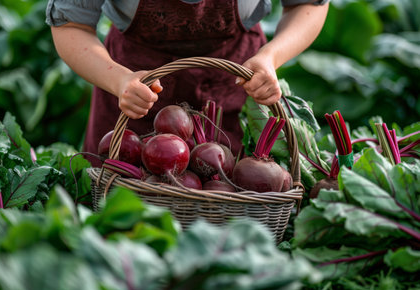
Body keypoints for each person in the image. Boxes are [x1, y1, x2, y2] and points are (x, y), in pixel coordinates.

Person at [46, 0, 329, 166]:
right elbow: (71, 25)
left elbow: (306, 5)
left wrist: (270, 57)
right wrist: (118, 79)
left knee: (233, 196)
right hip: (131, 91)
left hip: (233, 81)